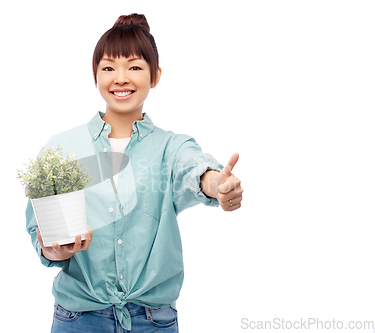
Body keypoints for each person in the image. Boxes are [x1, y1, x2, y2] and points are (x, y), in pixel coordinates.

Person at [25, 13, 243, 332]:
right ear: (95, 75)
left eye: (135, 67)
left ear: (155, 76)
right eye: (109, 68)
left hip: (152, 321)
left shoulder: (171, 147)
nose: (121, 78)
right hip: (79, 319)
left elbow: (194, 170)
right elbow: (40, 228)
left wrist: (218, 185)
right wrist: (52, 248)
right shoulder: (62, 148)